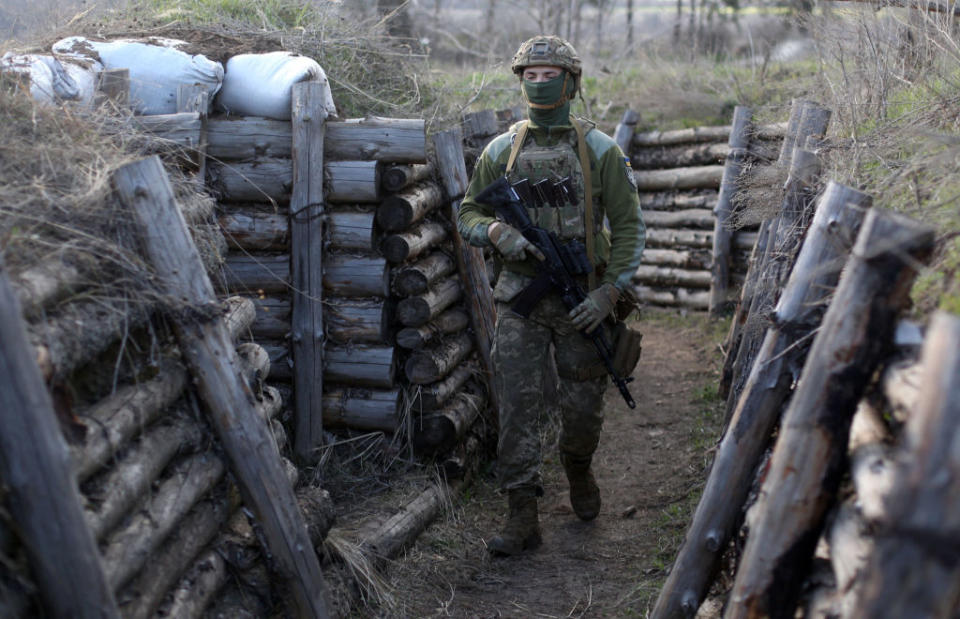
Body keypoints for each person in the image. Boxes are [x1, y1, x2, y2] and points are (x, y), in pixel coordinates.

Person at [457, 35, 646, 556]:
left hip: (583, 305)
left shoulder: (601, 151)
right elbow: (469, 211)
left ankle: (579, 469)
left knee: (583, 410)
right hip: (520, 298)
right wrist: (497, 234)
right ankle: (522, 514)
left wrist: (610, 293)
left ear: (571, 82)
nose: (539, 82)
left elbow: (629, 228)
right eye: (530, 74)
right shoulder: (502, 150)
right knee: (517, 407)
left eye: (549, 73)